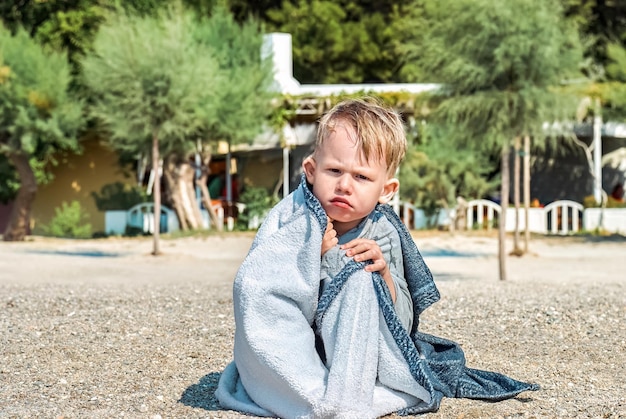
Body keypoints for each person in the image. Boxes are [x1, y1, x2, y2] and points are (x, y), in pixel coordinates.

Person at [216, 98, 538, 418]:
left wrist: (380, 275)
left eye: (362, 177)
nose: (344, 185)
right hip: (299, 348)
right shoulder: (294, 219)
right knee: (254, 285)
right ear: (311, 171)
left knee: (360, 278)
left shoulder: (381, 234)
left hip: (353, 356)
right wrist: (317, 257)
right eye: (334, 170)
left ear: (387, 189)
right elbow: (264, 286)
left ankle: (346, 397)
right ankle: (296, 388)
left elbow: (403, 323)